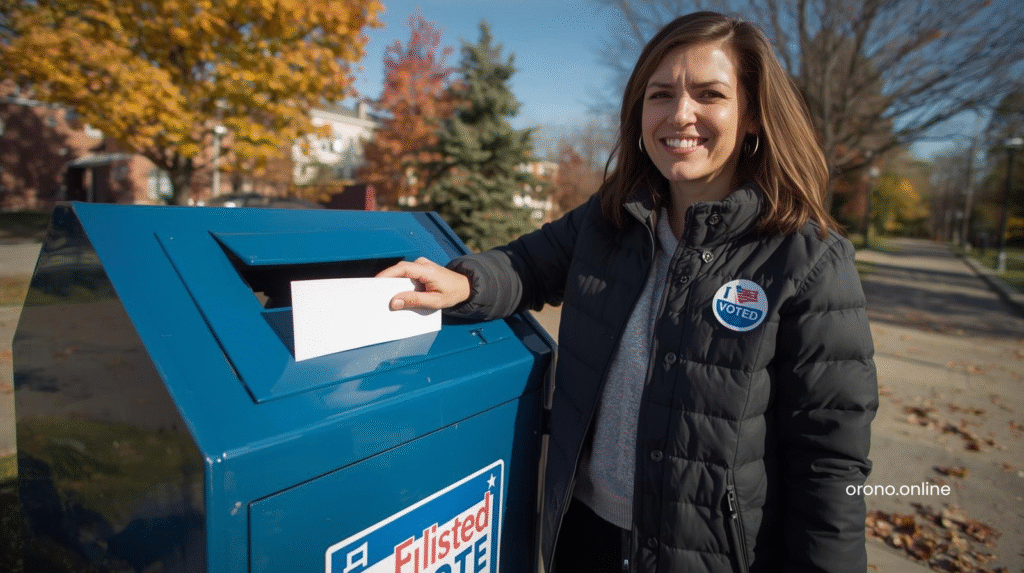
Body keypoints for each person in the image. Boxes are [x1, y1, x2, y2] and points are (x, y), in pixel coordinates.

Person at [378, 11, 877, 573]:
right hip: (583, 537)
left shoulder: (804, 257)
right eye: (660, 94)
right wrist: (465, 280)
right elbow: (525, 266)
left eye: (709, 94)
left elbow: (829, 463)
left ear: (754, 116)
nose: (680, 114)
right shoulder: (610, 220)